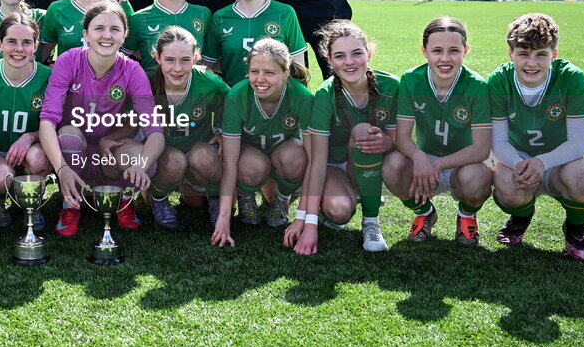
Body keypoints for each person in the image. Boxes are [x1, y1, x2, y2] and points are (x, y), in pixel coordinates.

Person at [38, 0, 165, 237]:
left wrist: (141, 166)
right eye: (99, 28)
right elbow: (48, 119)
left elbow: (155, 131)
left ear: (125, 35)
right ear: (85, 34)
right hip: (76, 152)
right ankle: (70, 204)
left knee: (149, 160)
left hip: (109, 154)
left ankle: (123, 199)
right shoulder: (68, 60)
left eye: (115, 29)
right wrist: (61, 168)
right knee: (68, 136)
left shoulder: (133, 70)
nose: (107, 35)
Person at [489, 13, 584, 260]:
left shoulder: (572, 78)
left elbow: (578, 144)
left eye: (541, 54)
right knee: (504, 182)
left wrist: (542, 162)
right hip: (519, 157)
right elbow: (498, 141)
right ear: (511, 54)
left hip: (563, 163)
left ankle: (575, 226)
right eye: (523, 54)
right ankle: (521, 215)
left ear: (554, 54)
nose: (532, 63)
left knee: (582, 176)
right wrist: (520, 165)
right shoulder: (499, 80)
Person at [284, 20, 400, 255]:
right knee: (339, 211)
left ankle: (371, 222)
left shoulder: (392, 86)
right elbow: (316, 163)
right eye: (340, 56)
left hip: (374, 162)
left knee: (363, 132)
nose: (349, 62)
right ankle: (341, 198)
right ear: (329, 59)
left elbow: (400, 141)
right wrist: (307, 223)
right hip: (335, 166)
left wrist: (387, 142)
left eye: (357, 53)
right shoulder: (325, 95)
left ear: (368, 53)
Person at [382, 17, 492, 246]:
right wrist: (419, 157)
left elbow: (481, 149)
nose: (445, 58)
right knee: (392, 166)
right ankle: (424, 212)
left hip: (463, 163)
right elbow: (402, 137)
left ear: (466, 50)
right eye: (437, 51)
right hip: (427, 156)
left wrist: (437, 165)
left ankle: (466, 216)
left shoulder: (477, 86)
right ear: (424, 51)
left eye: (454, 50)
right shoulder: (412, 80)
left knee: (478, 177)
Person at [212, 39, 313, 247]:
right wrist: (224, 218)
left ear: (285, 73)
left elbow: (314, 160)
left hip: (283, 156)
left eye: (269, 72)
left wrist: (304, 218)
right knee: (245, 163)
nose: (260, 79)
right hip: (252, 158)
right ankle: (246, 197)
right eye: (254, 71)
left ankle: (282, 199)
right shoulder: (237, 96)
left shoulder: (302, 97)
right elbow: (229, 162)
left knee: (297, 156)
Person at [147, 27, 228, 228]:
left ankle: (215, 198)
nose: (177, 68)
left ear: (195, 58)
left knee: (195, 199)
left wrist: (220, 129)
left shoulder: (208, 81)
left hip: (198, 151)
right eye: (169, 60)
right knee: (175, 161)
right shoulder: (147, 81)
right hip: (164, 156)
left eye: (184, 60)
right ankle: (158, 198)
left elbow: (229, 101)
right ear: (157, 58)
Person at [0, 14, 52, 229]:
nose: (19, 49)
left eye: (26, 42)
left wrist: (29, 137)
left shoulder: (49, 77)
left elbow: (57, 125)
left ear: (36, 46)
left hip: (30, 149)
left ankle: (32, 203)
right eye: (11, 42)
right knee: (2, 177)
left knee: (39, 158)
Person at [203, 0, 307, 86]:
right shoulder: (220, 17)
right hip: (233, 101)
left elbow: (298, 66)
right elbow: (208, 66)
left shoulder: (285, 13)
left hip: (275, 102)